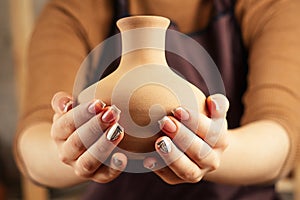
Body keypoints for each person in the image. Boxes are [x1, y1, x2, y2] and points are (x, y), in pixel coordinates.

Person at [14, 0, 300, 199]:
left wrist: (213, 149)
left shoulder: (270, 5)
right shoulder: (76, 8)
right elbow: (33, 143)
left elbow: (281, 131)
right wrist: (69, 146)